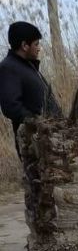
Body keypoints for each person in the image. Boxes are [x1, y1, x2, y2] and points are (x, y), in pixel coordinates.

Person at [0, 21, 62, 158]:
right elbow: (11, 106)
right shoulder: (8, 67)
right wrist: (38, 122)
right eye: (36, 44)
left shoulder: (28, 66)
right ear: (24, 46)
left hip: (50, 140)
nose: (39, 48)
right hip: (34, 145)